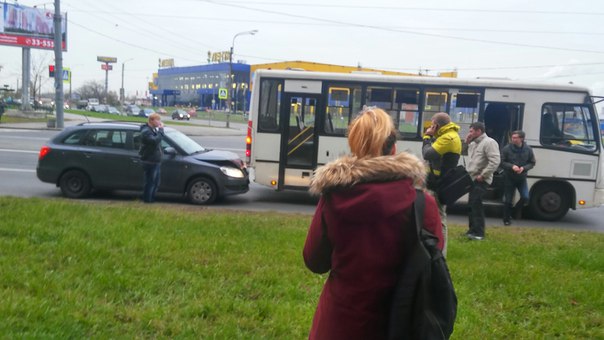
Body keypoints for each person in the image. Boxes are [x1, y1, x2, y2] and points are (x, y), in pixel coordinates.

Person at [303, 107, 443, 339]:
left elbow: (314, 261)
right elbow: (433, 261)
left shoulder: (334, 197)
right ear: (394, 148)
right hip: (400, 325)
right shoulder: (422, 204)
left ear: (354, 148)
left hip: (338, 325)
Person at [422, 112, 461, 256]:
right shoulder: (447, 136)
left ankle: (441, 253)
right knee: (438, 216)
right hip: (439, 181)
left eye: (432, 125)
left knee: (440, 218)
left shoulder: (448, 138)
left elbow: (427, 153)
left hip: (440, 183)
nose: (431, 128)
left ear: (436, 125)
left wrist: (427, 136)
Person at [465, 122, 500, 240]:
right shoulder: (473, 143)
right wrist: (467, 142)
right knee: (471, 205)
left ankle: (479, 233)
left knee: (476, 204)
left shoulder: (489, 142)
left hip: (481, 179)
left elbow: (495, 161)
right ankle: (472, 230)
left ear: (479, 131)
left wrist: (484, 175)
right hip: (472, 178)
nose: (469, 133)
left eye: (471, 131)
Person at [500, 130, 536, 225]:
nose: (513, 139)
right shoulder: (506, 149)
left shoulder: (528, 149)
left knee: (525, 197)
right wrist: (512, 166)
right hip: (509, 177)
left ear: (522, 139)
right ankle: (506, 220)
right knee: (508, 200)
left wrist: (524, 168)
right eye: (512, 137)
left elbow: (532, 162)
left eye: (516, 138)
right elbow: (502, 162)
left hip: (521, 177)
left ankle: (516, 210)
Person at [139, 113, 165, 203]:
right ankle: (147, 200)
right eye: (157, 120)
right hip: (150, 161)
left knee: (155, 183)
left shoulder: (153, 130)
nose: (159, 122)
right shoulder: (146, 131)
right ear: (151, 120)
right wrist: (161, 130)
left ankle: (151, 199)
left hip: (155, 161)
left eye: (159, 120)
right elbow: (154, 141)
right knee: (150, 182)